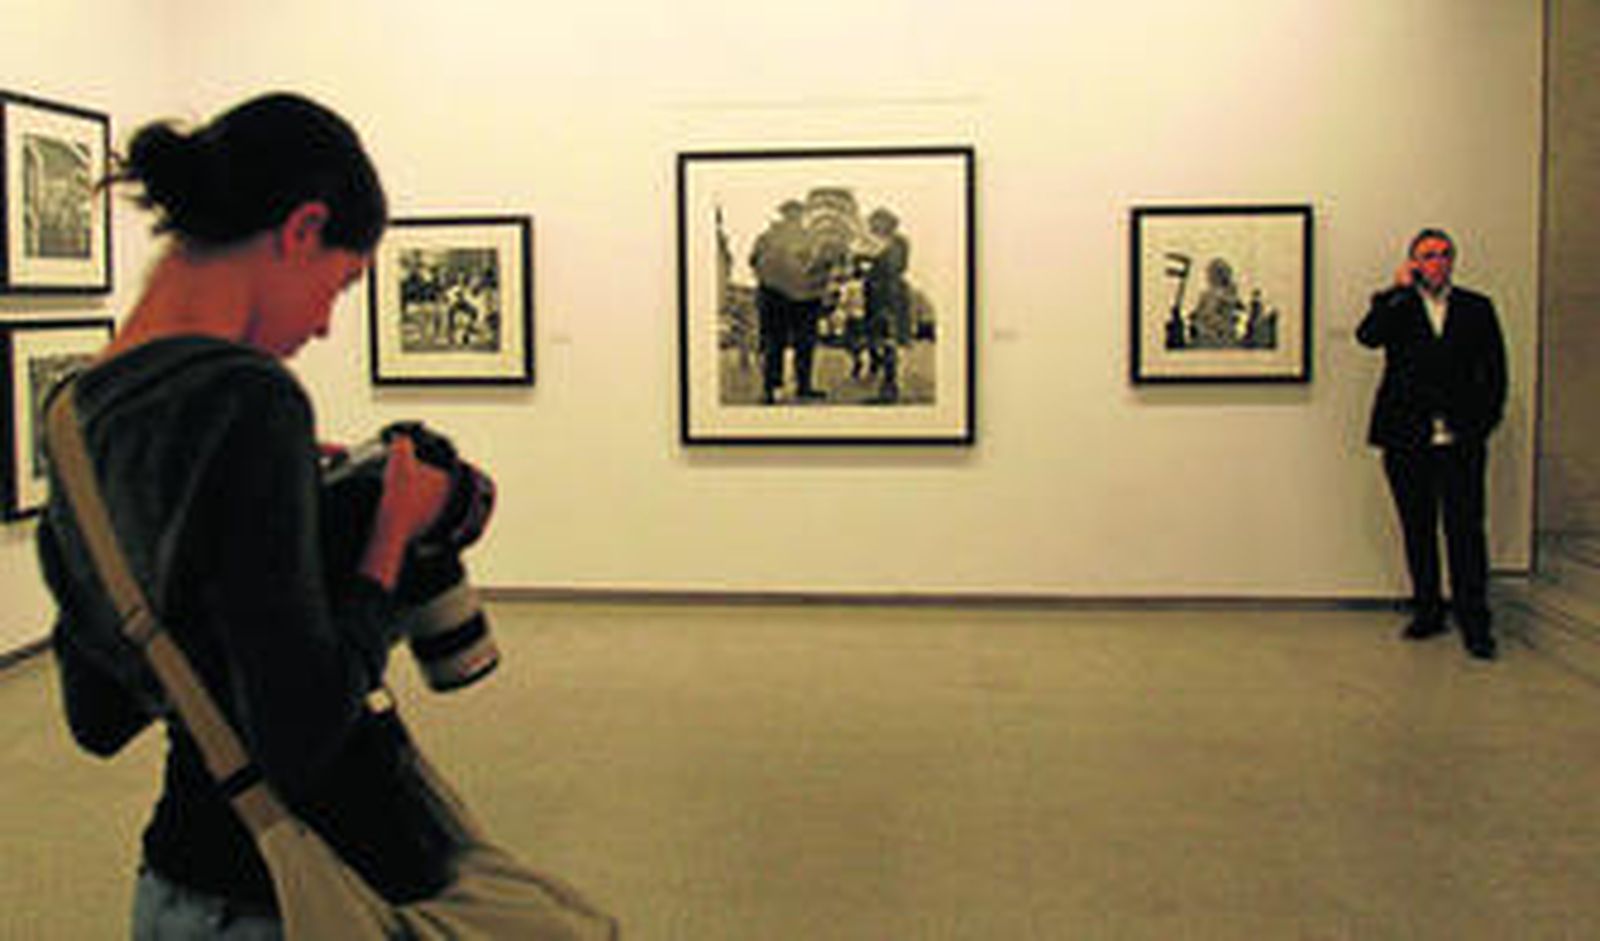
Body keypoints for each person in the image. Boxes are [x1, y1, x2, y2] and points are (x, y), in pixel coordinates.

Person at [36, 93, 461, 938]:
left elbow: (98, 715)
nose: (325, 325)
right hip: (279, 901)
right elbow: (302, 734)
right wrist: (387, 538)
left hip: (167, 892)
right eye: (339, 284)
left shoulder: (74, 411)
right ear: (302, 227)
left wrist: (281, 515)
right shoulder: (249, 398)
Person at [1356, 228, 1508, 660]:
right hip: (1407, 437)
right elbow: (1368, 337)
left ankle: (1475, 620)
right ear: (1413, 262)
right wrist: (1398, 290)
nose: (1436, 262)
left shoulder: (1476, 308)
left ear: (1453, 261)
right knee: (1417, 527)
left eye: (1444, 255)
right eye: (1427, 255)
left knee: (1465, 530)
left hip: (1461, 438)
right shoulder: (1395, 303)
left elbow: (1495, 371)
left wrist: (1482, 422)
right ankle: (1428, 610)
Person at [749, 199, 828, 404]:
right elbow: (755, 261)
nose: (793, 217)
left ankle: (802, 386)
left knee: (803, 343)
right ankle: (773, 388)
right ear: (784, 215)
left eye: (796, 213)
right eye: (790, 213)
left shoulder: (812, 238)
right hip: (777, 296)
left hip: (803, 297)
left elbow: (824, 264)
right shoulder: (768, 237)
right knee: (776, 343)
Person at [859, 207, 911, 403]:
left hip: (890, 292)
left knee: (888, 337)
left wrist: (870, 261)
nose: (873, 225)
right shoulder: (871, 243)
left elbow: (896, 266)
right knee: (875, 337)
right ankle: (882, 375)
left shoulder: (896, 242)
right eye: (872, 222)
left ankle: (890, 386)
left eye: (877, 221)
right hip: (875, 292)